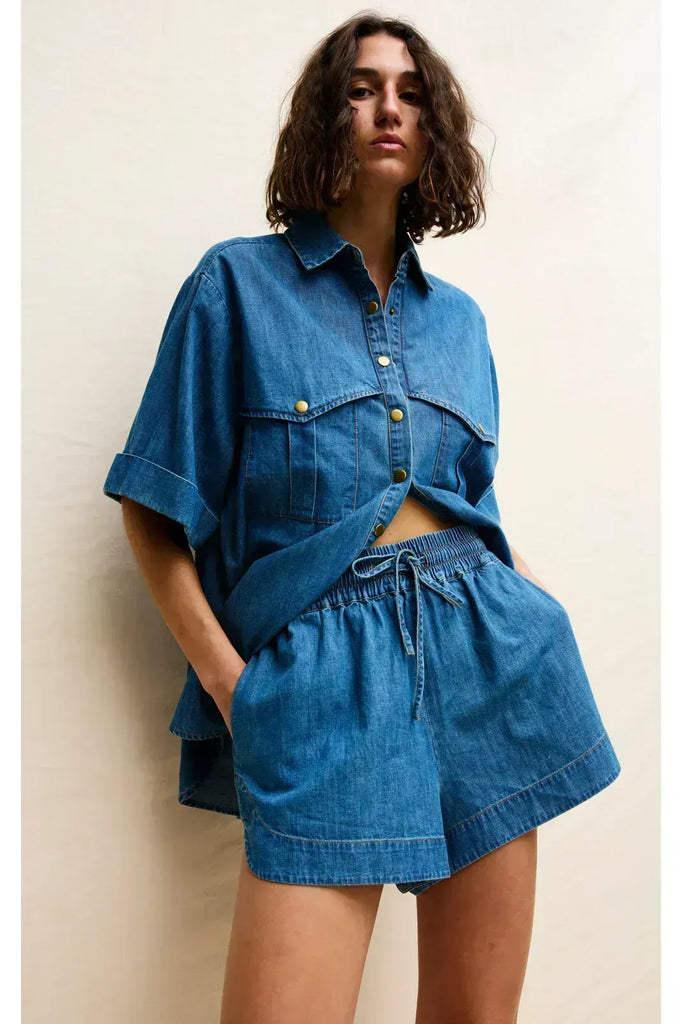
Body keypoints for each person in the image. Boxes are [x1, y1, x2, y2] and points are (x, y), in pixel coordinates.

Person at [103, 13, 621, 1024]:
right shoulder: (235, 286)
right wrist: (230, 682)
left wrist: (527, 600)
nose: (389, 107)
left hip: (490, 666)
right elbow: (153, 509)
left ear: (436, 130)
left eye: (413, 92)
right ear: (320, 116)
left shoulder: (460, 322)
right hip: (322, 681)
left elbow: (468, 504)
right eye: (360, 87)